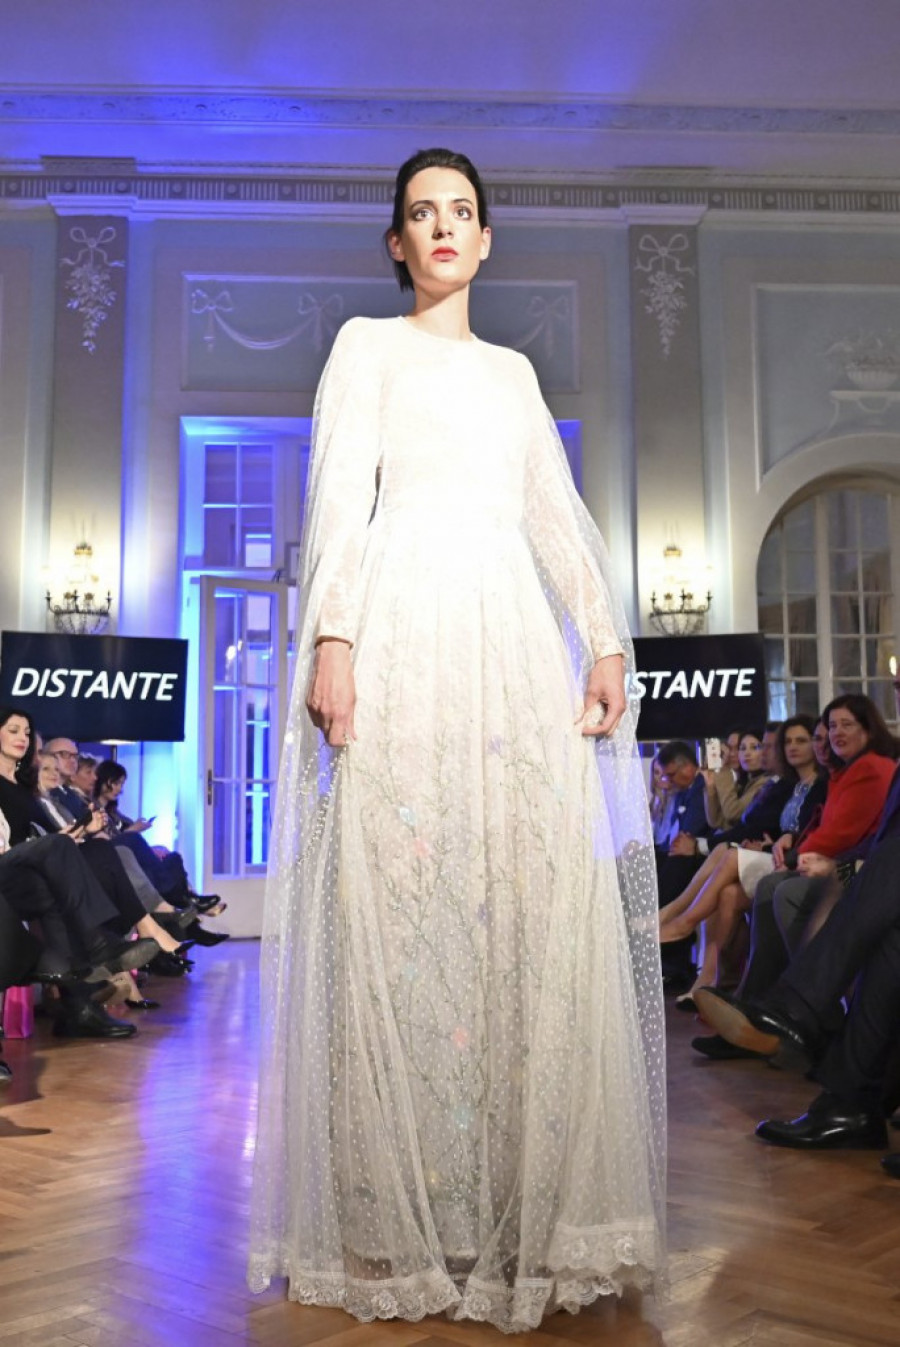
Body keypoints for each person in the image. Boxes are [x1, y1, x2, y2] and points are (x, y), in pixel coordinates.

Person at [249, 148, 665, 1331]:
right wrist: (334, 640)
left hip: (507, 652)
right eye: (422, 214)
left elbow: (554, 515)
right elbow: (339, 499)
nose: (442, 228)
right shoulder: (365, 349)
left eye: (462, 212)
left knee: (515, 901)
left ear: (486, 240)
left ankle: (513, 1199)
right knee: (402, 896)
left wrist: (603, 641)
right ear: (398, 243)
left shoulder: (515, 373)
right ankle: (401, 1203)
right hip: (402, 637)